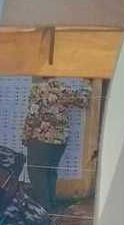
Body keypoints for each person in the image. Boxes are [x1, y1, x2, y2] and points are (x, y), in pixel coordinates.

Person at [22, 76, 90, 210]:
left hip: (40, 138)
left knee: (37, 172)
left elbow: (33, 114)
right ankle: (51, 206)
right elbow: (83, 101)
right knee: (50, 172)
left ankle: (43, 208)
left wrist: (26, 135)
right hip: (59, 140)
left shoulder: (37, 89)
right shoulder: (62, 87)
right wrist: (87, 84)